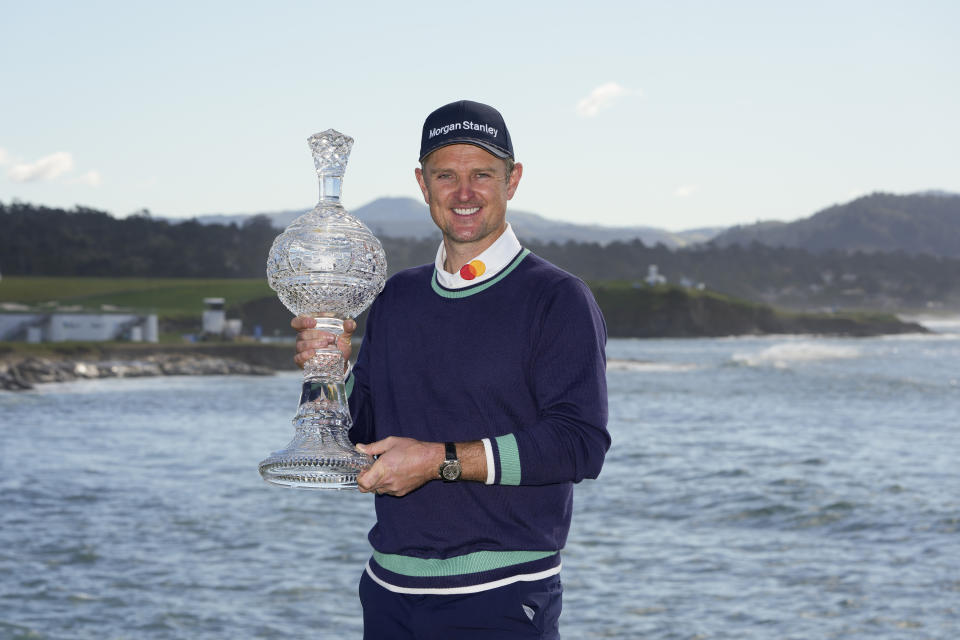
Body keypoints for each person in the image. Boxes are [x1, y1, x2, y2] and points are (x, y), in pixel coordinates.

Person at [293, 99, 610, 639]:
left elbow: (579, 444)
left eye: (482, 174)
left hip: (501, 595)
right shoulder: (395, 296)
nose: (464, 193)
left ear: (513, 181)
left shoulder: (557, 298)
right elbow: (359, 435)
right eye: (446, 175)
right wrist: (328, 371)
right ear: (422, 183)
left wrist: (437, 461)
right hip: (388, 592)